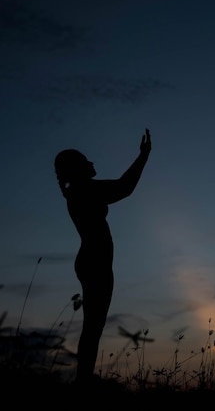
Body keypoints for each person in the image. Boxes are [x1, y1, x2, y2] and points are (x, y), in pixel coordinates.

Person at [53, 128, 152, 384]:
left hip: (92, 261)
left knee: (94, 327)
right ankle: (83, 381)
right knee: (93, 327)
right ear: (77, 169)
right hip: (94, 263)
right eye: (86, 161)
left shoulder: (80, 190)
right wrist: (143, 156)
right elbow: (124, 187)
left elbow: (121, 188)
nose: (92, 163)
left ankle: (84, 378)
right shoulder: (82, 190)